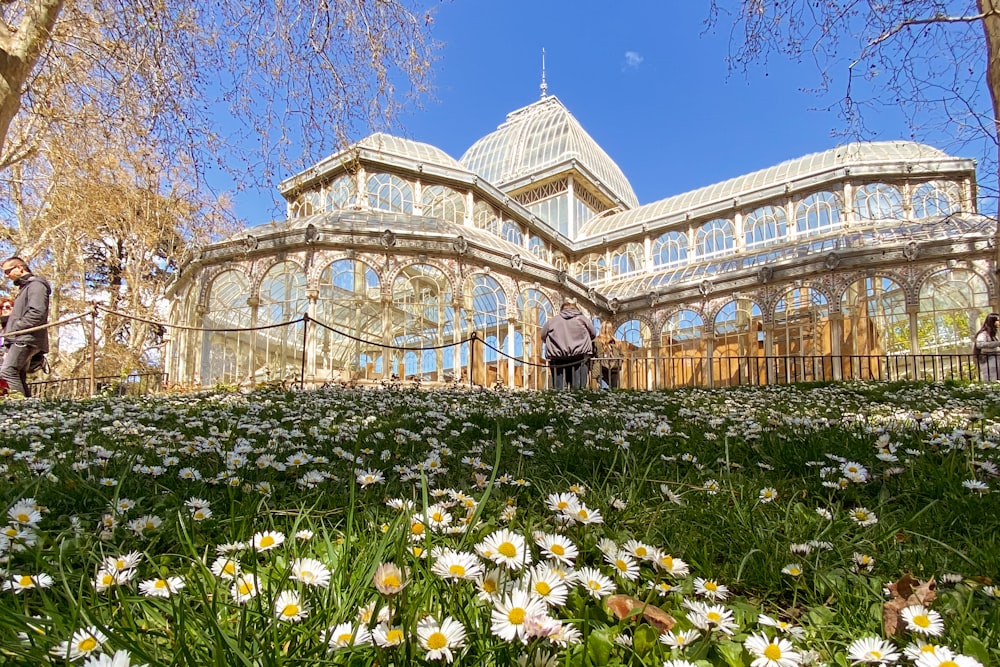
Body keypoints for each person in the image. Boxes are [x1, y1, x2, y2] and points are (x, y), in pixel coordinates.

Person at [0, 257, 51, 397]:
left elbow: (37, 313)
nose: (7, 276)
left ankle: (18, 405)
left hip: (26, 337)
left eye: (7, 271)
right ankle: (29, 408)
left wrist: (16, 327)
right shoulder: (25, 287)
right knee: (18, 375)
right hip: (20, 337)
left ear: (20, 268)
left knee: (7, 371)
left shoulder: (36, 285)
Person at [540, 297, 596, 389]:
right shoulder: (583, 319)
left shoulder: (552, 321)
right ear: (575, 308)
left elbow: (543, 336)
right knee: (578, 389)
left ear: (562, 309)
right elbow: (593, 334)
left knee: (559, 389)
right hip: (579, 357)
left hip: (557, 358)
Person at [592, 322, 624, 389]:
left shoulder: (596, 341)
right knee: (613, 391)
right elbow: (621, 356)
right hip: (614, 369)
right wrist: (618, 363)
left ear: (601, 329)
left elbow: (593, 354)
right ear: (611, 329)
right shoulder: (617, 342)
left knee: (605, 391)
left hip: (600, 369)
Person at [974, 312, 1000, 382]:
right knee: (992, 379)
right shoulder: (984, 333)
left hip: (995, 358)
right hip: (988, 360)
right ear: (992, 322)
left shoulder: (993, 333)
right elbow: (979, 344)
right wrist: (997, 343)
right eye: (998, 320)